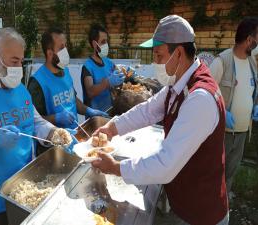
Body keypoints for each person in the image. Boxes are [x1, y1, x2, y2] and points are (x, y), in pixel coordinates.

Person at [91, 15, 229, 225]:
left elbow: (165, 165)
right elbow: (148, 110)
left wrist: (116, 168)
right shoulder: (179, 84)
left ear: (179, 52)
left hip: (201, 214)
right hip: (185, 201)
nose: (155, 62)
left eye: (158, 55)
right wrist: (111, 128)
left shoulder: (199, 97)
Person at [0, 28, 71, 225]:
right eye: (14, 61)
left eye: (21, 61)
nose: (19, 67)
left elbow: (35, 121)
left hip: (21, 192)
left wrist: (54, 132)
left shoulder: (18, 88)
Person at [28, 28, 108, 155]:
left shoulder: (65, 72)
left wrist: (88, 110)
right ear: (49, 53)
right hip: (52, 148)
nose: (65, 51)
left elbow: (73, 99)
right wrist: (57, 118)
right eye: (61, 48)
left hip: (75, 137)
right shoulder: (37, 82)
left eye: (65, 46)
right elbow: (34, 120)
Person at [209, 17, 258, 194]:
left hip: (243, 132)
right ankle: (209, 209)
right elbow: (206, 94)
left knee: (230, 173)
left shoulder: (252, 63)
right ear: (249, 40)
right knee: (215, 173)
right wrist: (222, 112)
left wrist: (255, 106)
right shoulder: (222, 61)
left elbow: (251, 89)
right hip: (224, 133)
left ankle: (222, 208)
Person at [81, 24, 125, 112]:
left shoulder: (109, 62)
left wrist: (126, 74)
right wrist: (106, 83)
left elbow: (119, 76)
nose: (106, 44)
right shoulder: (87, 67)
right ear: (94, 44)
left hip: (110, 111)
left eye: (107, 41)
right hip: (96, 116)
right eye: (103, 42)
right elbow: (90, 92)